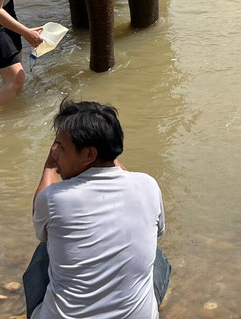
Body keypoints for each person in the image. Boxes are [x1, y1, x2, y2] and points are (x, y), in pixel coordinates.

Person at [25, 100, 170, 319]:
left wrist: (49, 166)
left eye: (61, 148)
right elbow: (157, 232)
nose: (56, 154)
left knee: (44, 249)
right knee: (155, 254)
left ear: (89, 155)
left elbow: (39, 223)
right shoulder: (148, 185)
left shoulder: (54, 198)